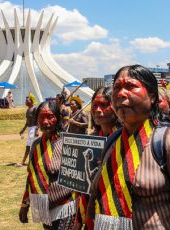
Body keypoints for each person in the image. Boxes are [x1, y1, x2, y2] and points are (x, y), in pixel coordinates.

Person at [87, 64, 170, 229]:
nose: (121, 93)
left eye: (131, 86)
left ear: (152, 97)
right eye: (117, 88)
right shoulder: (112, 141)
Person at [19, 101, 76, 229]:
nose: (45, 122)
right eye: (41, 117)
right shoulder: (36, 145)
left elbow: (78, 181)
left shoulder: (68, 144)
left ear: (58, 117)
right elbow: (31, 176)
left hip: (66, 209)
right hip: (44, 207)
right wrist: (25, 204)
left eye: (50, 117)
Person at [74, 86, 118, 230]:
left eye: (104, 105)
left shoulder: (125, 140)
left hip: (118, 215)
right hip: (92, 215)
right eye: (94, 106)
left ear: (115, 107)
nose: (98, 110)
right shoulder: (91, 140)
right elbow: (84, 185)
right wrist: (79, 220)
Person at [16, 93, 39, 167]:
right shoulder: (28, 109)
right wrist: (23, 130)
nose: (25, 102)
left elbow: (38, 120)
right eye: (25, 101)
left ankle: (23, 162)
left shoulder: (35, 109)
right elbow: (27, 121)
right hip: (30, 129)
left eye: (27, 100)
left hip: (34, 129)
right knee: (32, 146)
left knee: (29, 145)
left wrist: (37, 130)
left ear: (31, 101)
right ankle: (33, 161)